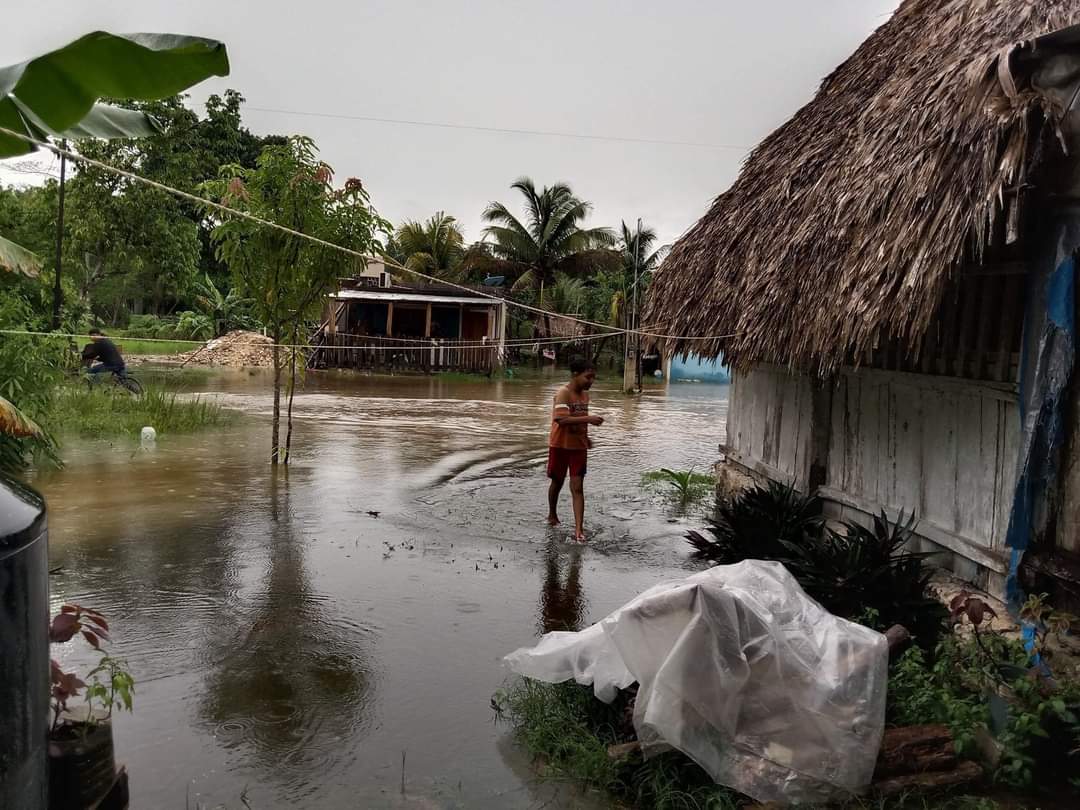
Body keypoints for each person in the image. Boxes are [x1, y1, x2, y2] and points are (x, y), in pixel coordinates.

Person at [547, 356, 603, 541]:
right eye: (588, 377)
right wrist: (589, 419)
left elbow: (579, 418)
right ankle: (552, 514)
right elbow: (561, 420)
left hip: (578, 447)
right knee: (557, 481)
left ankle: (579, 530)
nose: (591, 381)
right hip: (560, 445)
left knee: (577, 487)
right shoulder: (563, 393)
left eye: (593, 377)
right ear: (575, 375)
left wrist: (585, 437)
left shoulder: (585, 395)